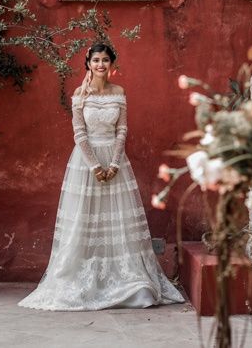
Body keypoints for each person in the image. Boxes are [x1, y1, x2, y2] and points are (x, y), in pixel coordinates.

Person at [19, 43, 184, 310]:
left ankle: (128, 282)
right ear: (88, 63)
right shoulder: (79, 94)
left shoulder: (119, 93)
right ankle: (83, 282)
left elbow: (122, 130)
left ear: (111, 64)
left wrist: (115, 164)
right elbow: (79, 133)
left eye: (105, 60)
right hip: (85, 163)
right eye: (96, 60)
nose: (100, 65)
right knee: (84, 219)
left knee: (117, 223)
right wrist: (95, 165)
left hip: (116, 162)